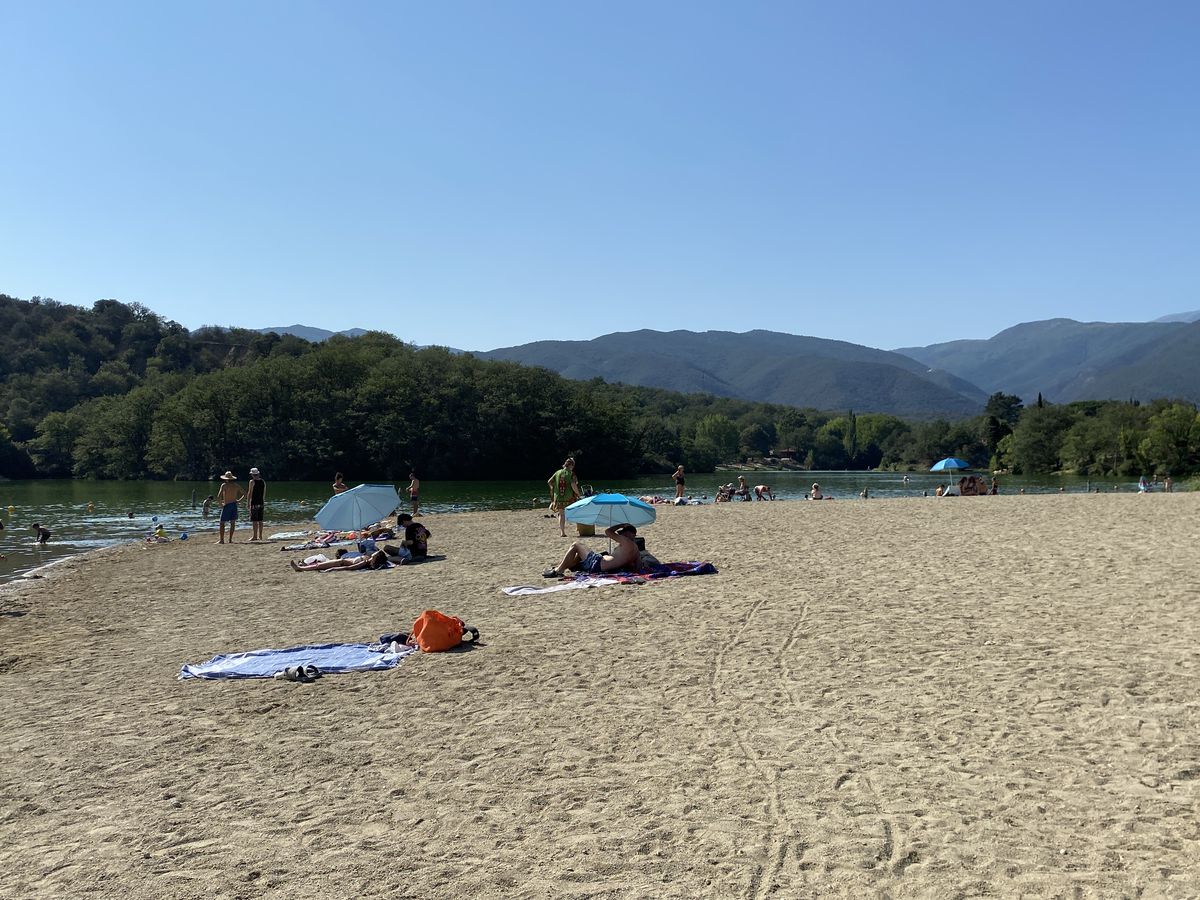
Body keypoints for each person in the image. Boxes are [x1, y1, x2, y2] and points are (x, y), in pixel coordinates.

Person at [543, 523, 640, 578]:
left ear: (628, 533)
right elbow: (638, 567)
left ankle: (558, 570)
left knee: (576, 545)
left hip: (597, 563)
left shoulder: (626, 542)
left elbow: (608, 532)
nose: (621, 535)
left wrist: (621, 525)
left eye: (622, 533)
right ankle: (568, 565)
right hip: (602, 565)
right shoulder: (636, 550)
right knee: (579, 556)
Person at [547, 457, 581, 538]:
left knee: (561, 515)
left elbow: (549, 482)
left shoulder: (558, 472)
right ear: (571, 465)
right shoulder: (571, 474)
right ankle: (578, 528)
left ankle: (562, 532)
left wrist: (554, 489)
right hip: (569, 498)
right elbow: (573, 485)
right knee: (576, 511)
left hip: (558, 498)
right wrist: (578, 493)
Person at [291, 548, 389, 572]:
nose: (373, 553)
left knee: (319, 565)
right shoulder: (367, 559)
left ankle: (301, 568)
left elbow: (350, 567)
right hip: (340, 561)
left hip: (340, 563)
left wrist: (334, 569)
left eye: (374, 554)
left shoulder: (365, 562)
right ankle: (303, 566)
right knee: (320, 562)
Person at [214, 471, 245, 544]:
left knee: (222, 523)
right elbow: (245, 494)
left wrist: (221, 504)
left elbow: (219, 496)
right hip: (234, 505)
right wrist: (239, 501)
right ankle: (230, 539)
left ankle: (222, 540)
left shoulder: (224, 485)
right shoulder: (236, 485)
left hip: (227, 505)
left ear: (226, 479)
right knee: (233, 523)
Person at [247, 467, 266, 542]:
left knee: (254, 520)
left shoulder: (252, 482)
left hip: (254, 502)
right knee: (260, 520)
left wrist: (248, 502)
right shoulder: (263, 481)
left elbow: (250, 492)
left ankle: (255, 536)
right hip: (261, 502)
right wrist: (263, 501)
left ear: (252, 474)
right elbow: (264, 493)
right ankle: (260, 535)